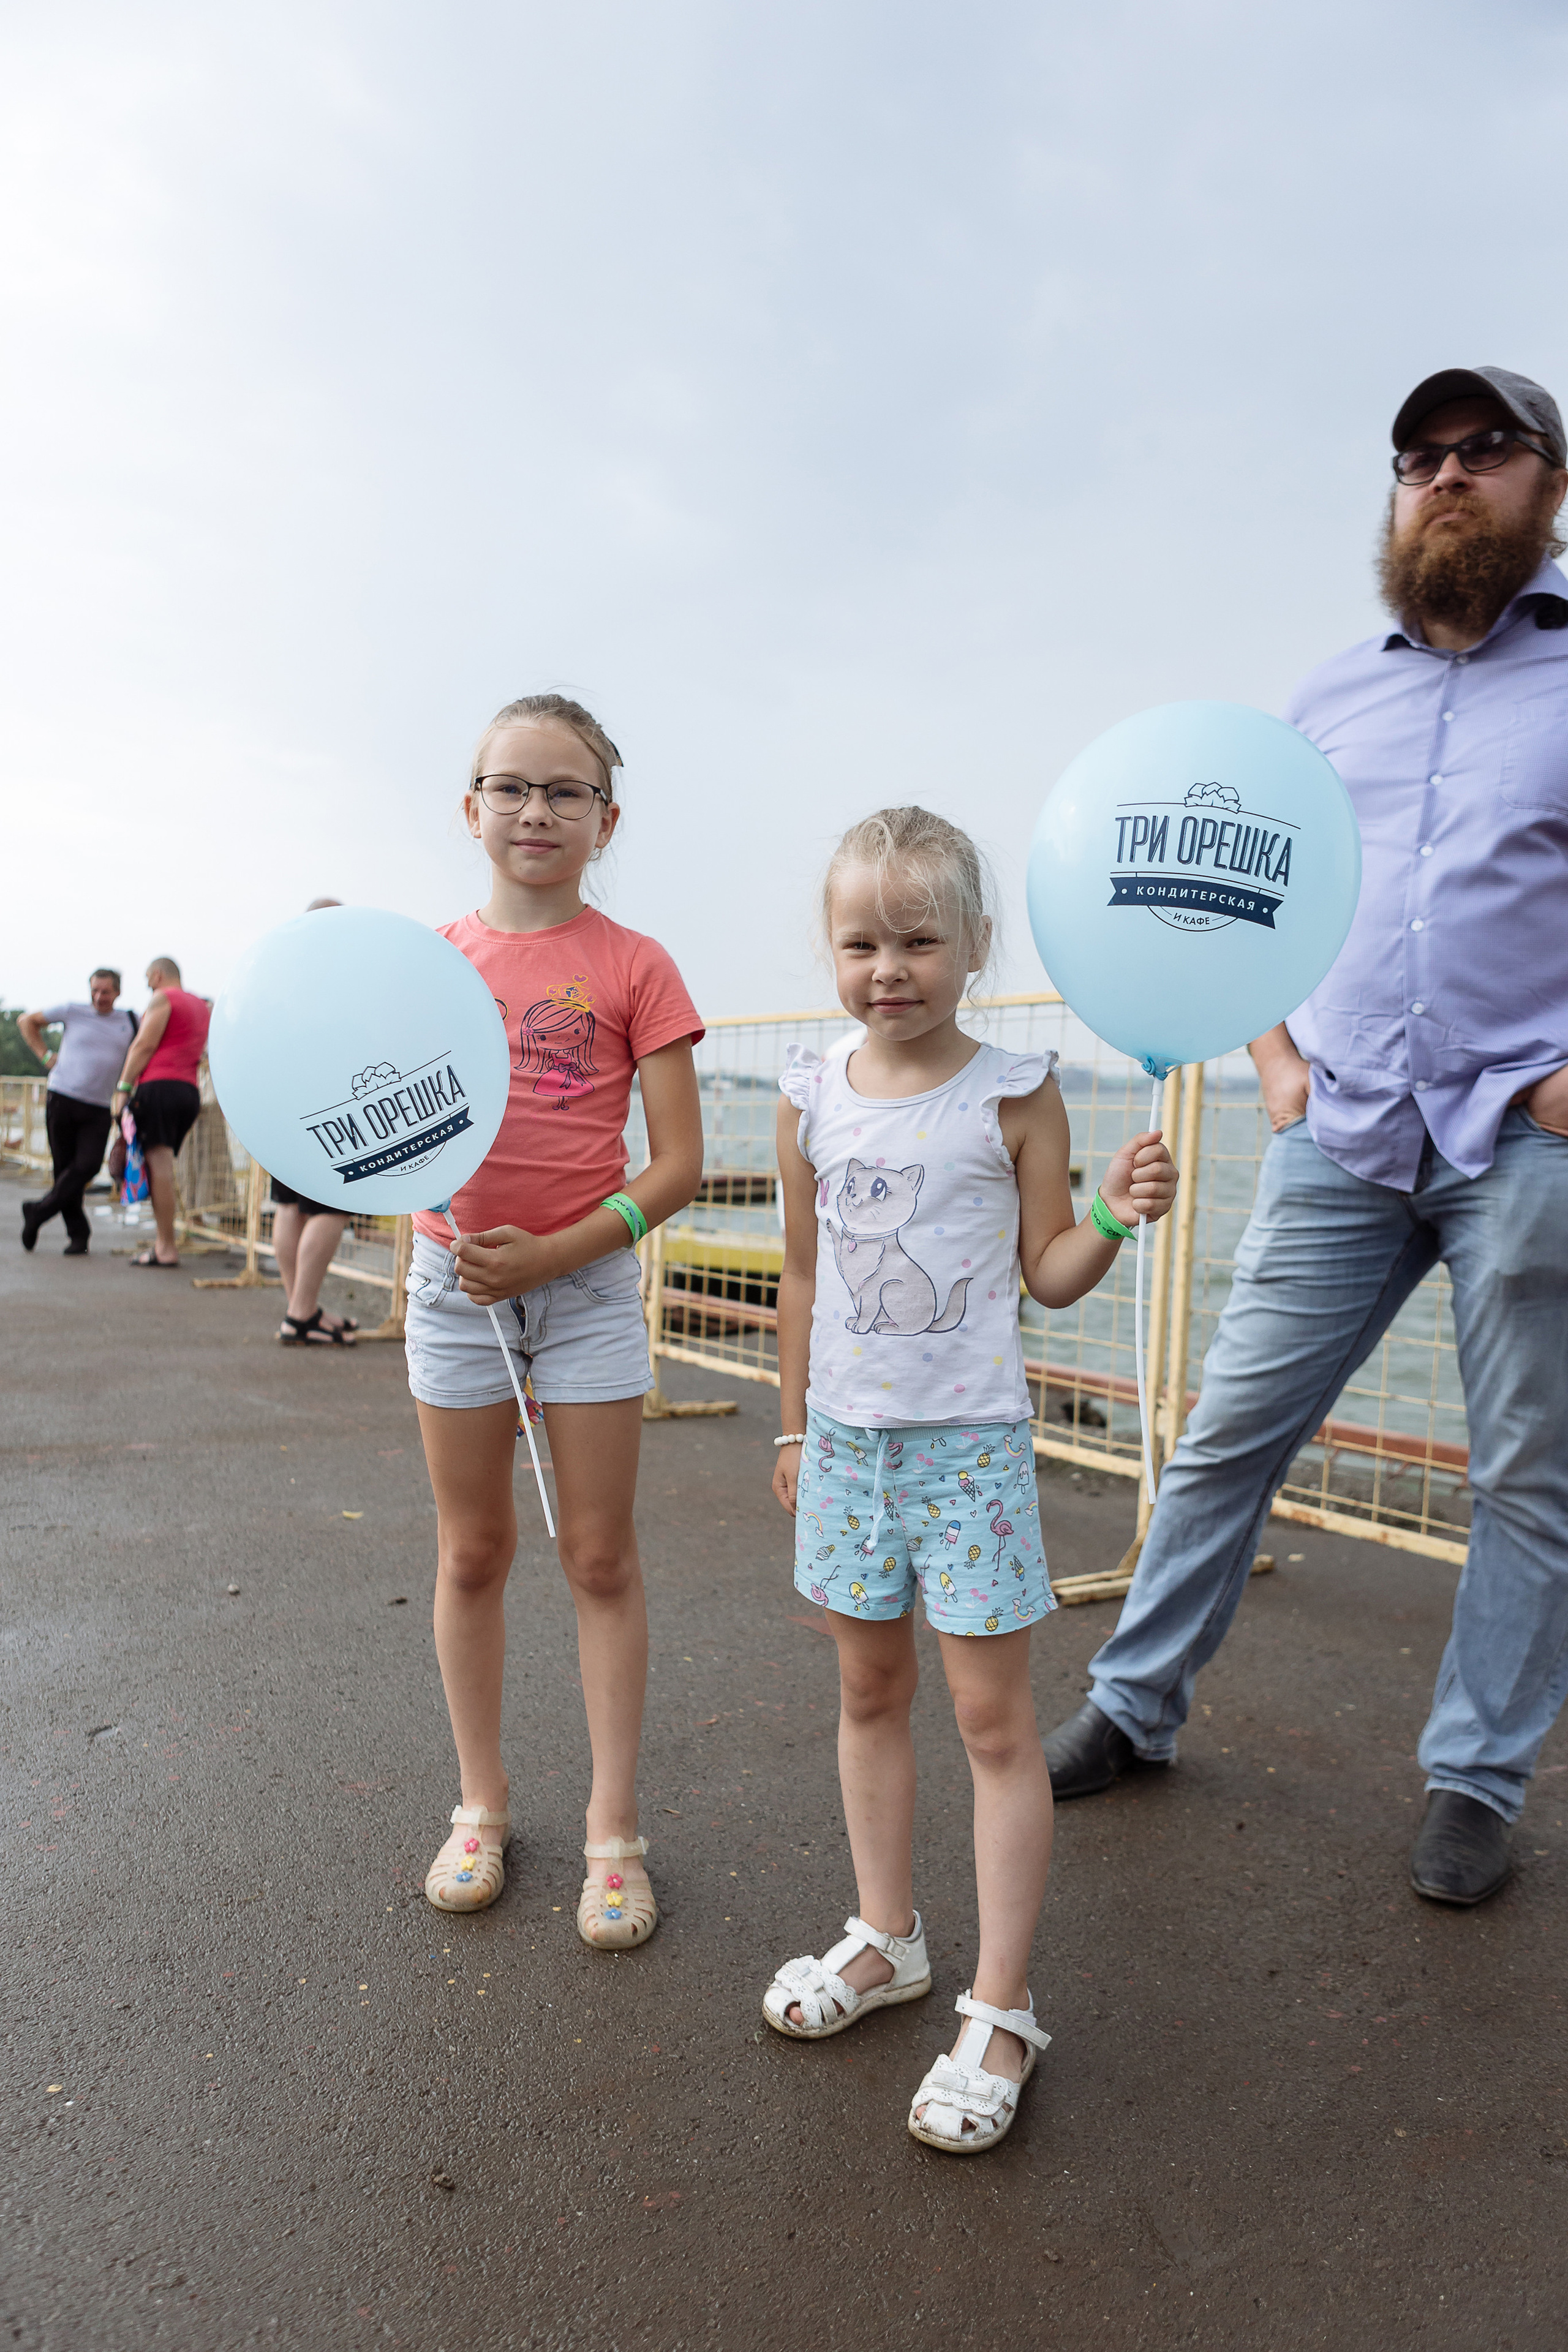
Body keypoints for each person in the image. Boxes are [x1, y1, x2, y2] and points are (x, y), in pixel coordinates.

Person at [1042, 364, 1568, 1910]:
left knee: (1524, 1476)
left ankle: (1473, 1778)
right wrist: (1271, 1058)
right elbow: (1252, 896)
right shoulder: (1326, 696)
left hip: (1521, 1137)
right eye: (1417, 457)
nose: (1444, 474)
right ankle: (1132, 1705)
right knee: (1227, 1432)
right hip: (1338, 1125)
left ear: (1547, 487)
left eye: (1484, 448)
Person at [761, 808, 1177, 2153]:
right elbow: (803, 1278)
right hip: (845, 1450)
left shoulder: (1013, 1091)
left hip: (970, 1456)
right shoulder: (806, 1094)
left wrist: (1110, 1213)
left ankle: (1001, 2007)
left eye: (919, 941)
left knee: (995, 1727)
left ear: (976, 943)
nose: (888, 968)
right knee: (865, 1693)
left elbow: (1047, 1274)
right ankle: (886, 1936)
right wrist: (790, 1430)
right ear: (831, 948)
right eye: (860, 943)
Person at [405, 693, 704, 1945]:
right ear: (470, 809)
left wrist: (557, 1255)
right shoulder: (426, 963)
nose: (537, 810)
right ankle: (480, 1804)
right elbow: (380, 1121)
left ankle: (612, 1829)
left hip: (583, 1293)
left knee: (599, 1557)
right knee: (473, 1552)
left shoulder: (637, 965)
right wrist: (449, 1246)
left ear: (606, 820)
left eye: (566, 790)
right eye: (512, 787)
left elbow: (677, 1165)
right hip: (453, 1286)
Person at [268, 901, 358, 1346]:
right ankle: (301, 1313)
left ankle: (300, 1311)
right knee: (331, 1208)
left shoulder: (285, 977)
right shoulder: (339, 975)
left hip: (285, 1102)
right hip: (330, 1100)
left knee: (289, 1205)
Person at [18, 970, 137, 1255]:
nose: (99, 997)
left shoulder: (131, 1020)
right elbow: (26, 1021)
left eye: (105, 992)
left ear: (118, 992)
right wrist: (46, 1056)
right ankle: (79, 1235)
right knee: (64, 1170)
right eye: (94, 991)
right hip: (62, 1099)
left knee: (88, 1166)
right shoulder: (73, 1010)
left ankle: (38, 1212)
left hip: (99, 1106)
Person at [110, 957, 212, 1270]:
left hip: (159, 1087)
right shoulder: (201, 1006)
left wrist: (123, 1088)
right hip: (188, 1091)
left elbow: (143, 1045)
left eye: (147, 978)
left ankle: (165, 1246)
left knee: (159, 1168)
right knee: (163, 1165)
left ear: (157, 974)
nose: (147, 984)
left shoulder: (163, 998)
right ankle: (164, 1242)